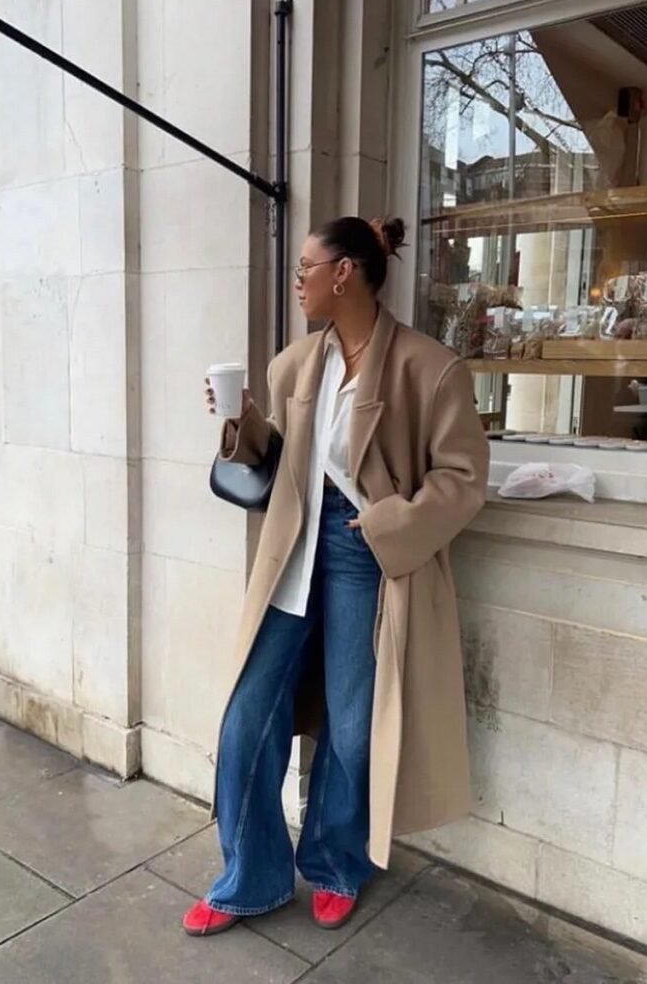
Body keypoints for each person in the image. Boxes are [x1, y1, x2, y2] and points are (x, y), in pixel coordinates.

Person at [185, 216, 489, 937]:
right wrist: (242, 423)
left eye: (306, 269)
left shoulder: (430, 368)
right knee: (246, 719)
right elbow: (285, 458)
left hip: (365, 551)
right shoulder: (295, 365)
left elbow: (462, 477)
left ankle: (333, 863)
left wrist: (390, 522)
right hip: (293, 548)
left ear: (344, 273)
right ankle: (250, 879)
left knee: (353, 729)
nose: (298, 282)